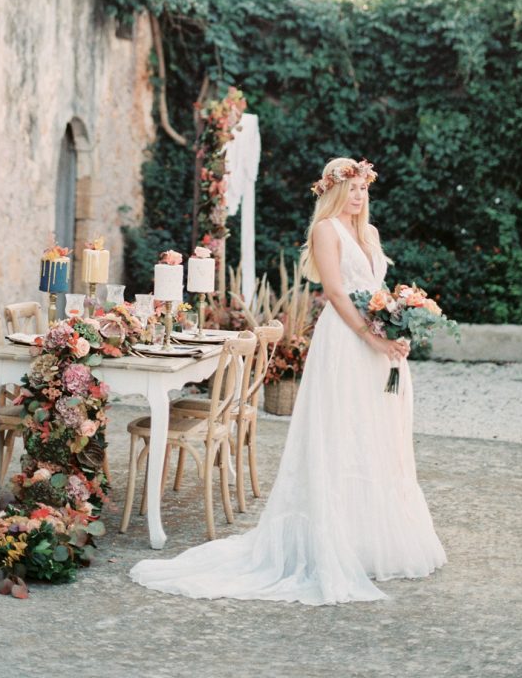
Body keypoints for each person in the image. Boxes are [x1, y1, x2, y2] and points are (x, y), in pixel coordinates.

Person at [130, 157, 446, 604]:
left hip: (377, 344)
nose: (359, 197)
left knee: (374, 434)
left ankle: (370, 539)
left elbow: (377, 291)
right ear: (334, 190)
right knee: (340, 432)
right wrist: (370, 338)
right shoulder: (326, 231)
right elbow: (336, 293)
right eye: (352, 189)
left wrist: (397, 328)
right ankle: (331, 538)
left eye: (363, 190)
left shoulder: (369, 233)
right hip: (346, 341)